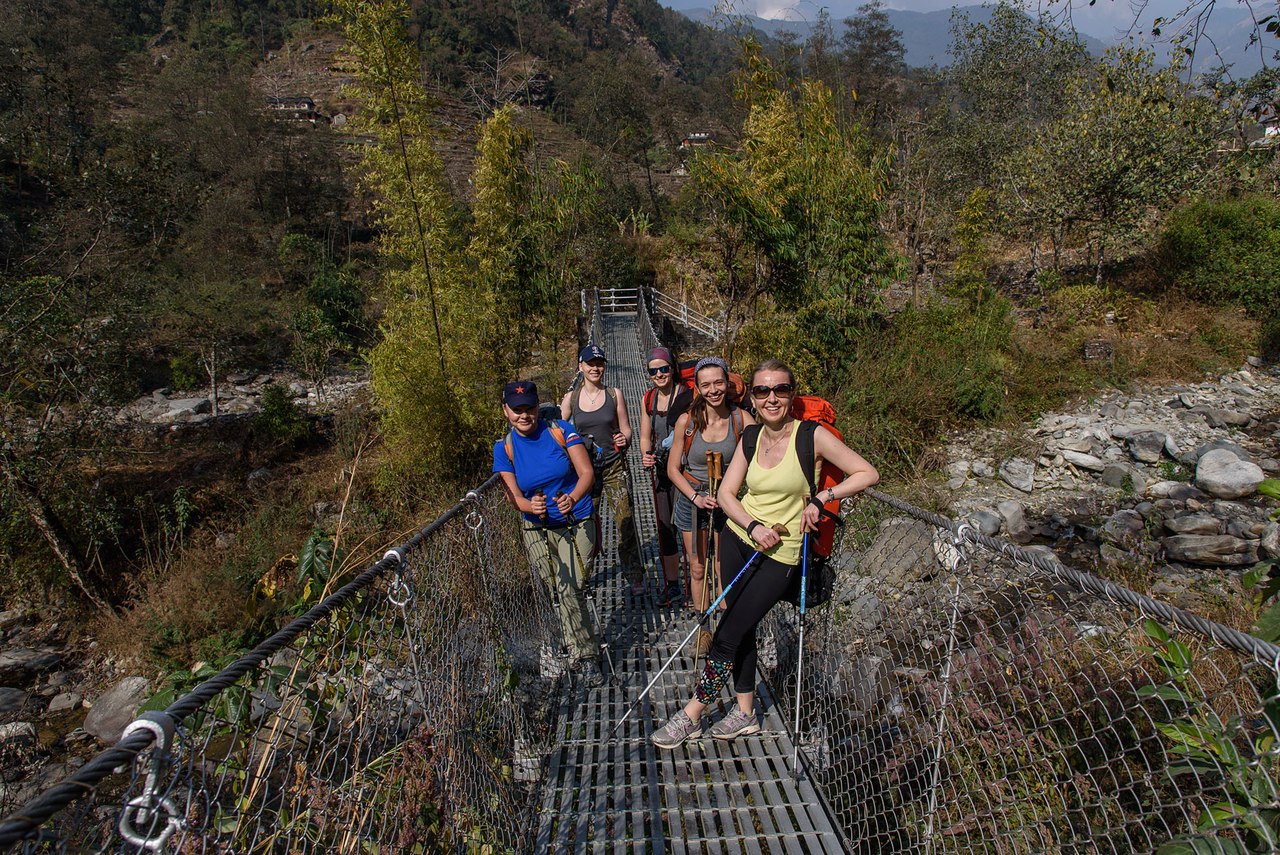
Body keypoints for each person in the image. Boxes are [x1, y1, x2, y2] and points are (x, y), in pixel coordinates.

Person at [651, 359, 879, 748]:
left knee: (726, 634)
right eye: (762, 391)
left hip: (782, 553)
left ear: (792, 394)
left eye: (780, 390)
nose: (771, 398)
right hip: (740, 539)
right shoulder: (751, 437)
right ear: (753, 398)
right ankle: (744, 712)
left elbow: (866, 473)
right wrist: (752, 525)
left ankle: (691, 715)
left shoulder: (812, 436)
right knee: (741, 627)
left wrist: (824, 497)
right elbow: (726, 492)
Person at [493, 380, 604, 688]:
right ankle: (574, 640)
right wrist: (531, 504)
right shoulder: (504, 448)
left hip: (575, 520)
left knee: (570, 587)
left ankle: (585, 656)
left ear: (536, 406)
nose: (524, 415)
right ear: (506, 411)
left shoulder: (560, 430)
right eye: (517, 410)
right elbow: (513, 496)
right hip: (536, 527)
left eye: (529, 408)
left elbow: (586, 473)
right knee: (556, 587)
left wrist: (572, 497)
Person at [667, 357, 753, 622]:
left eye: (718, 382)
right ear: (698, 388)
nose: (713, 390)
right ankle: (703, 625)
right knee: (696, 567)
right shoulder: (687, 421)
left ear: (728, 383)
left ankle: (725, 628)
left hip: (727, 501)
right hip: (691, 501)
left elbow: (758, 459)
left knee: (723, 567)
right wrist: (695, 497)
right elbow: (673, 469)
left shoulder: (743, 420)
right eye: (706, 385)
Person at [560, 344, 644, 591]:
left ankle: (634, 574)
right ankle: (583, 576)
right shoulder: (571, 398)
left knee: (625, 522)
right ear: (581, 367)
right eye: (590, 363)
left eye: (599, 363)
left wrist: (624, 439)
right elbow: (558, 431)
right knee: (585, 525)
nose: (595, 368)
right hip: (585, 473)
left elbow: (626, 428)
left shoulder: (614, 394)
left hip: (613, 467)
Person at [639, 346, 694, 607]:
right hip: (661, 472)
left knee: (690, 527)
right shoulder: (648, 398)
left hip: (685, 471)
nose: (659, 374)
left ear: (672, 368)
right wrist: (645, 454)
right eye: (654, 370)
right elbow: (644, 435)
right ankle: (673, 586)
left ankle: (695, 584)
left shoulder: (687, 395)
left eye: (664, 368)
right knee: (665, 529)